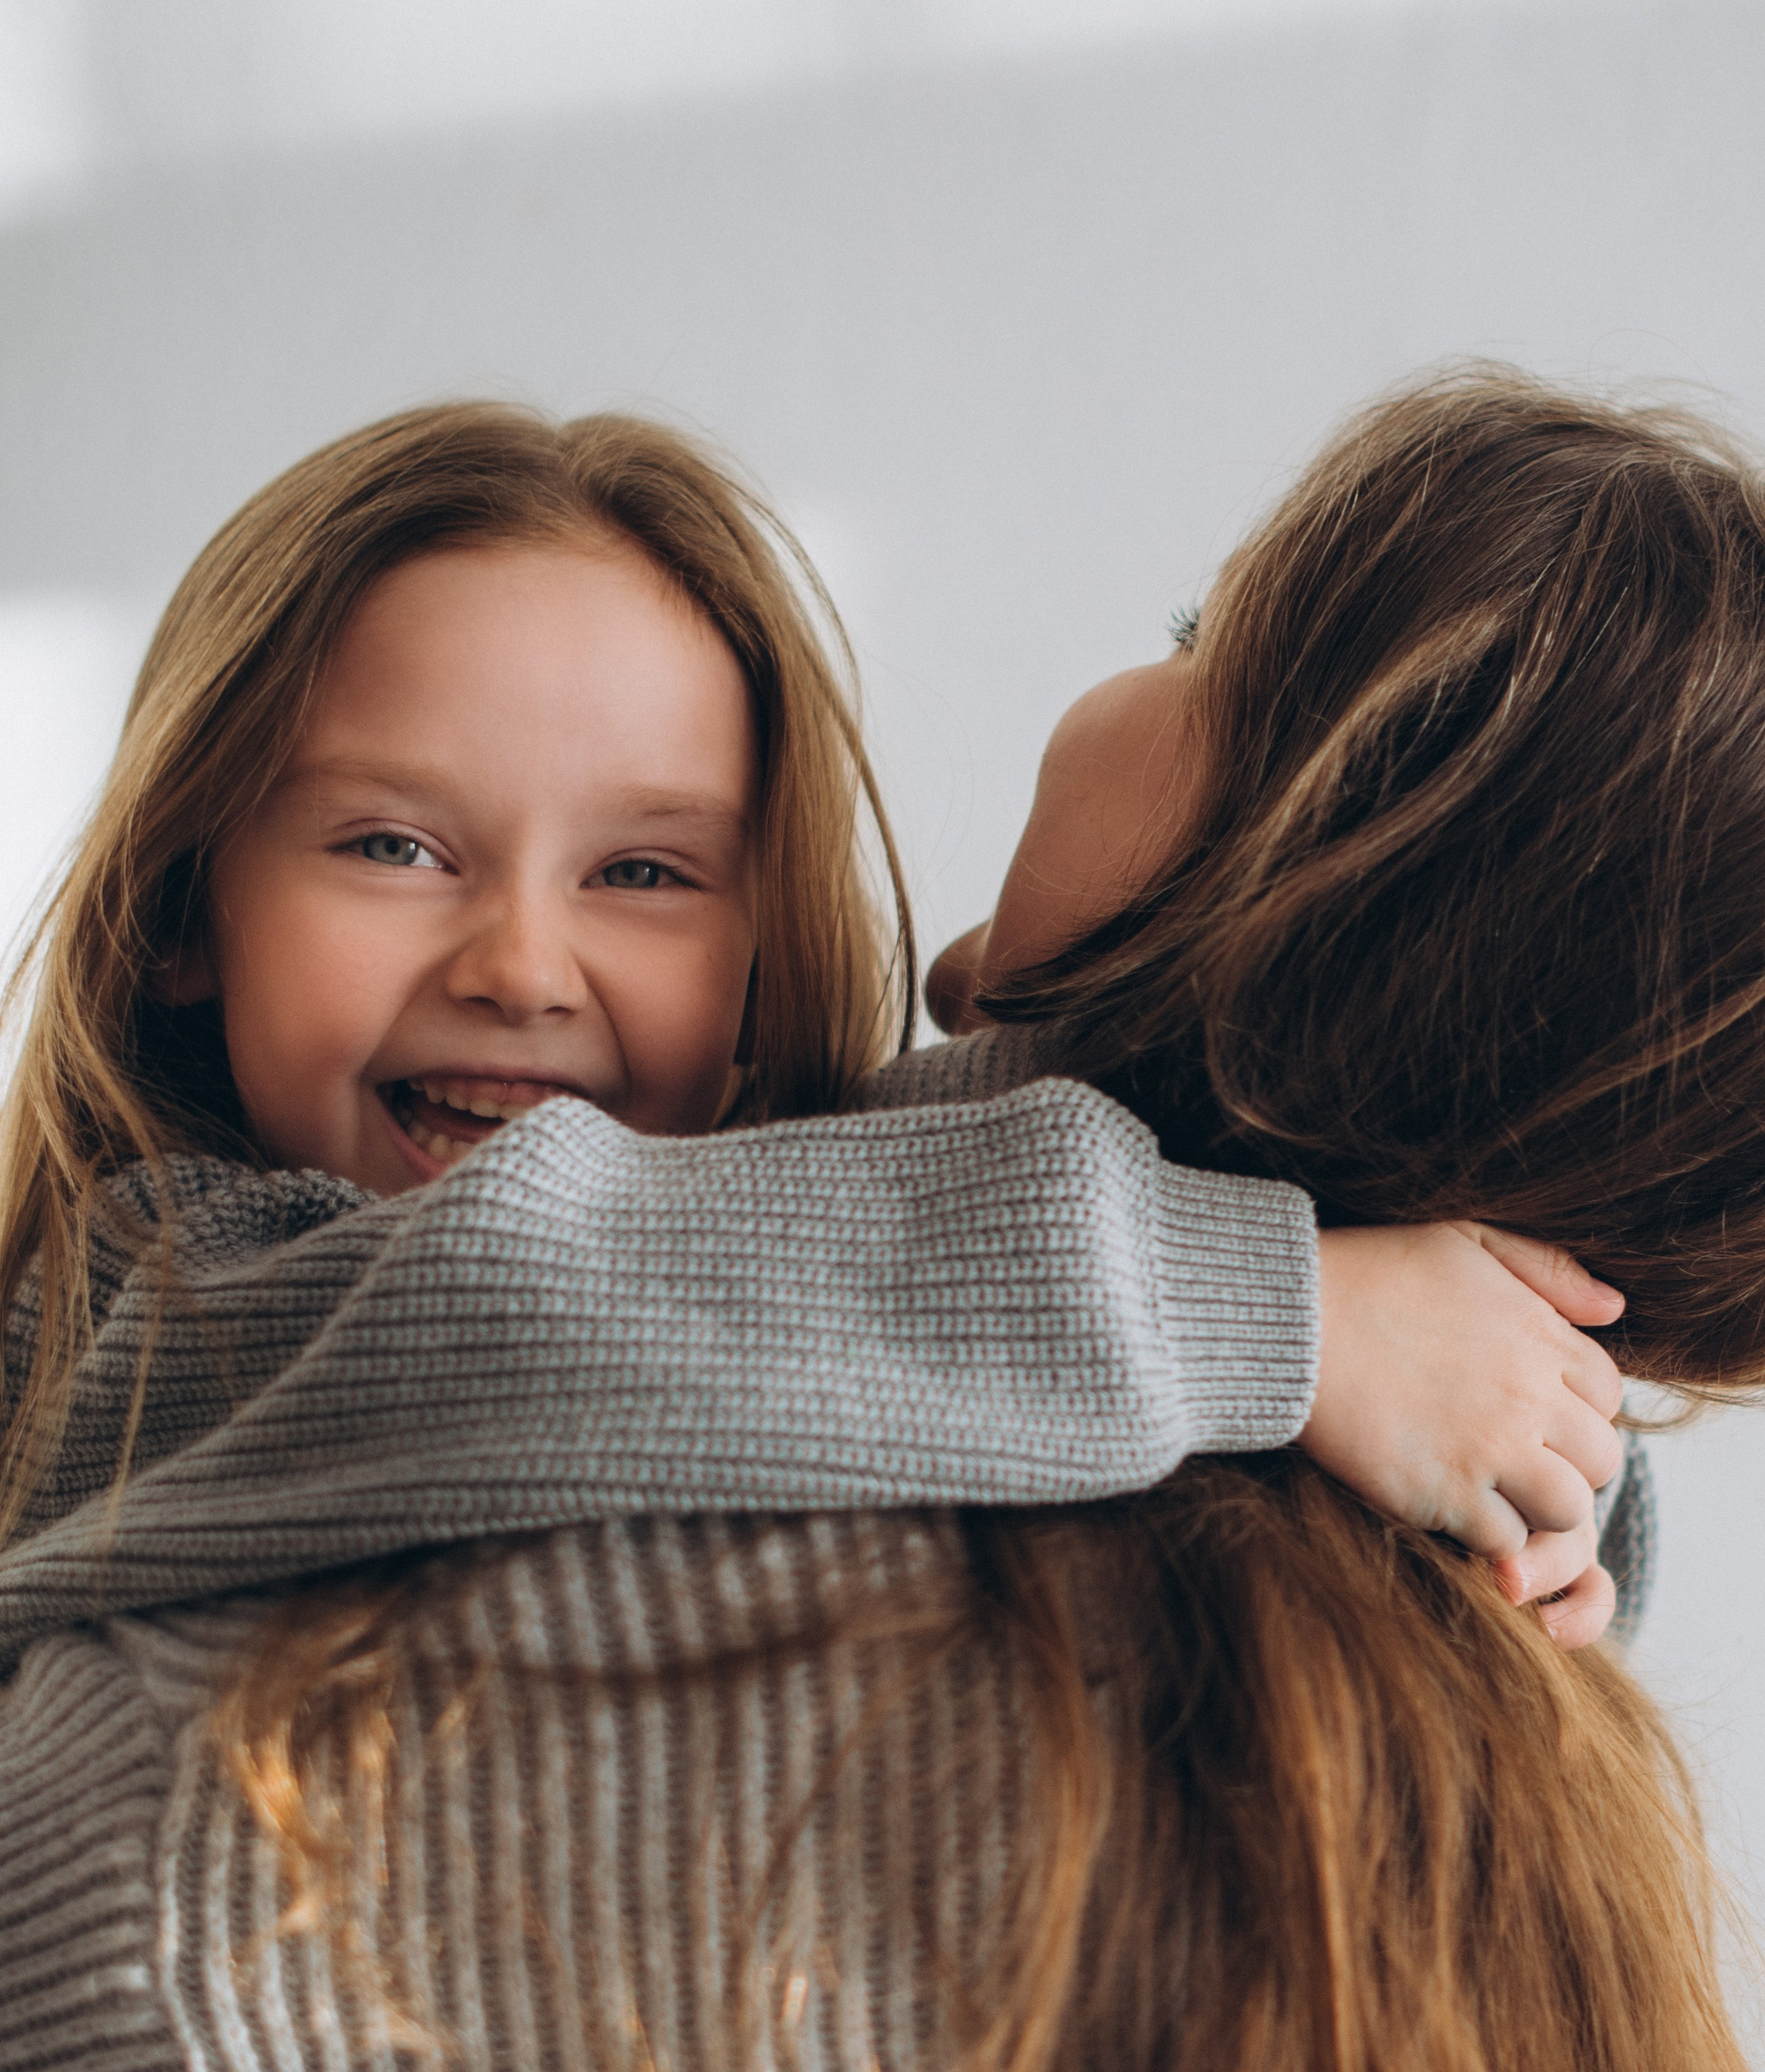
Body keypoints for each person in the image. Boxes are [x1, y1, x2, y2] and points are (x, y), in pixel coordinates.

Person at [0, 388, 1660, 2069]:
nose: (517, 961)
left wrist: (1540, 1458)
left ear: (753, 953)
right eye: (391, 844)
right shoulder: (163, 1293)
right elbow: (537, 1287)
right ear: (176, 914)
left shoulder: (801, 1244)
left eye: (643, 871)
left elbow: (842, 1227)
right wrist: (1281, 1309)